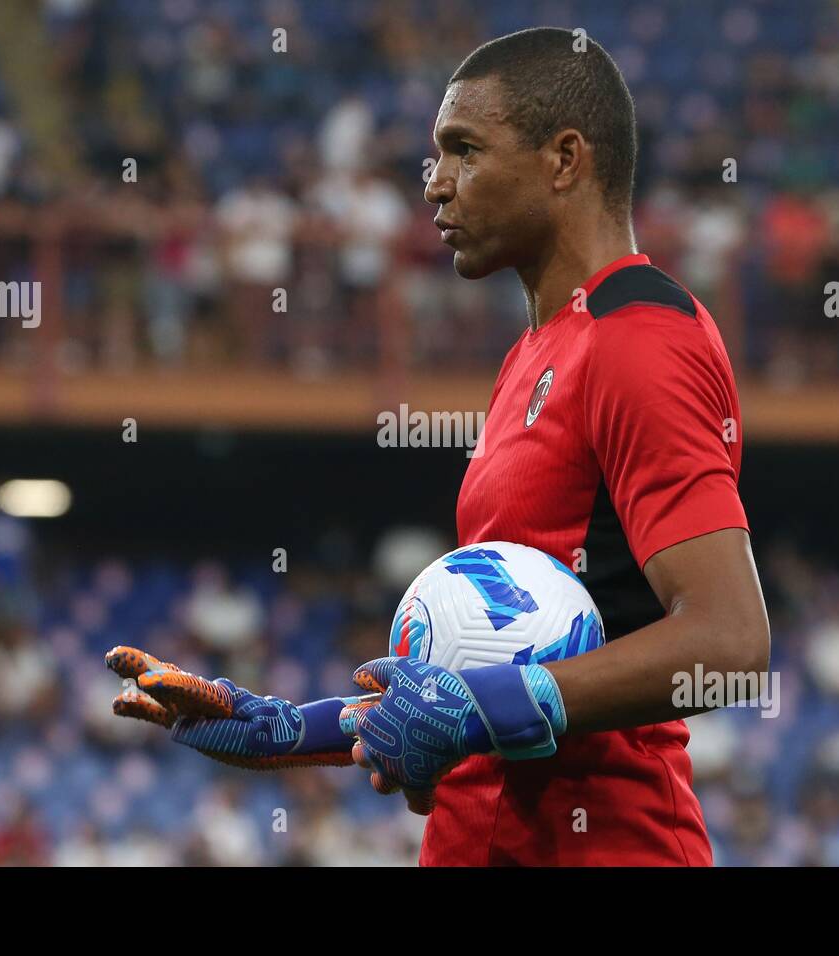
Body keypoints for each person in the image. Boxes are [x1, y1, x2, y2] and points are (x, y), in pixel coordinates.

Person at [109, 27, 769, 867]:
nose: (435, 183)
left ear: (564, 160)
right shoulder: (532, 355)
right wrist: (290, 728)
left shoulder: (643, 341)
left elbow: (731, 644)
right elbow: (488, 681)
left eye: (465, 150)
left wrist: (481, 707)